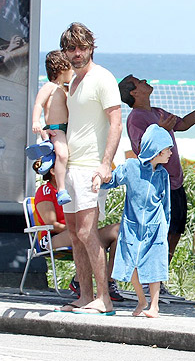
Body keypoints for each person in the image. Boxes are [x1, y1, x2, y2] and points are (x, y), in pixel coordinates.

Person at [118, 75, 195, 270]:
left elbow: (184, 124)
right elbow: (142, 152)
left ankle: (159, 276)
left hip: (176, 183)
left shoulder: (157, 112)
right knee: (160, 233)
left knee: (176, 230)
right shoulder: (136, 118)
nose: (145, 80)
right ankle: (150, 279)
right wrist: (161, 130)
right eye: (139, 81)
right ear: (134, 92)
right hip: (159, 184)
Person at [56, 22, 122, 316]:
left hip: (90, 167)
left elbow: (116, 122)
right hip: (71, 167)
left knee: (87, 231)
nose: (77, 53)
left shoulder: (103, 78)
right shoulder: (72, 82)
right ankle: (85, 296)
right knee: (74, 233)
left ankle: (104, 298)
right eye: (71, 48)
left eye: (82, 47)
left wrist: (106, 163)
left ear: (91, 47)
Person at [98, 125, 174, 318]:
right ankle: (142, 300)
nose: (171, 153)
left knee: (155, 265)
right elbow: (113, 179)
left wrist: (164, 227)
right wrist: (98, 178)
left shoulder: (163, 174)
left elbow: (166, 204)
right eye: (168, 149)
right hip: (131, 226)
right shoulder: (131, 167)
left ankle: (154, 306)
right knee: (130, 264)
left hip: (156, 226)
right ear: (157, 150)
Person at [31, 161, 124, 302]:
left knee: (117, 230)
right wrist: (81, 227)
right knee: (84, 235)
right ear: (53, 171)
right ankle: (78, 281)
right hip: (52, 237)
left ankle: (109, 282)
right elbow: (52, 224)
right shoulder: (45, 190)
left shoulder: (74, 189)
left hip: (79, 231)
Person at [28, 51, 73, 205]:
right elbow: (38, 103)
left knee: (65, 156)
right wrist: (36, 121)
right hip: (56, 128)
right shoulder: (50, 86)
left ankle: (49, 156)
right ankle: (61, 190)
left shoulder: (66, 89)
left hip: (66, 129)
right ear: (62, 68)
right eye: (71, 68)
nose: (73, 71)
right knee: (63, 155)